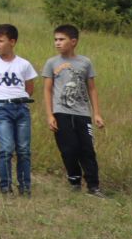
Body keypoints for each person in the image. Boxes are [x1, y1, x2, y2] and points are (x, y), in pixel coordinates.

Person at [44, 24, 104, 195]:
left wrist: (97, 113)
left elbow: (92, 88)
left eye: (61, 39)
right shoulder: (51, 63)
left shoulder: (85, 62)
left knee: (87, 149)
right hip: (61, 113)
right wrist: (50, 115)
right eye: (55, 39)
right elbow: (47, 90)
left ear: (74, 41)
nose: (57, 43)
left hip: (82, 113)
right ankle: (74, 180)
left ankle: (93, 186)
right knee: (68, 149)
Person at [0, 23, 37, 196]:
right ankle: (5, 186)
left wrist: (20, 100)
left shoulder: (24, 64)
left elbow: (29, 86)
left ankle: (25, 186)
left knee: (24, 149)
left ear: (12, 42)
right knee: (6, 148)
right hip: (3, 109)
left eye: (1, 40)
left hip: (21, 109)